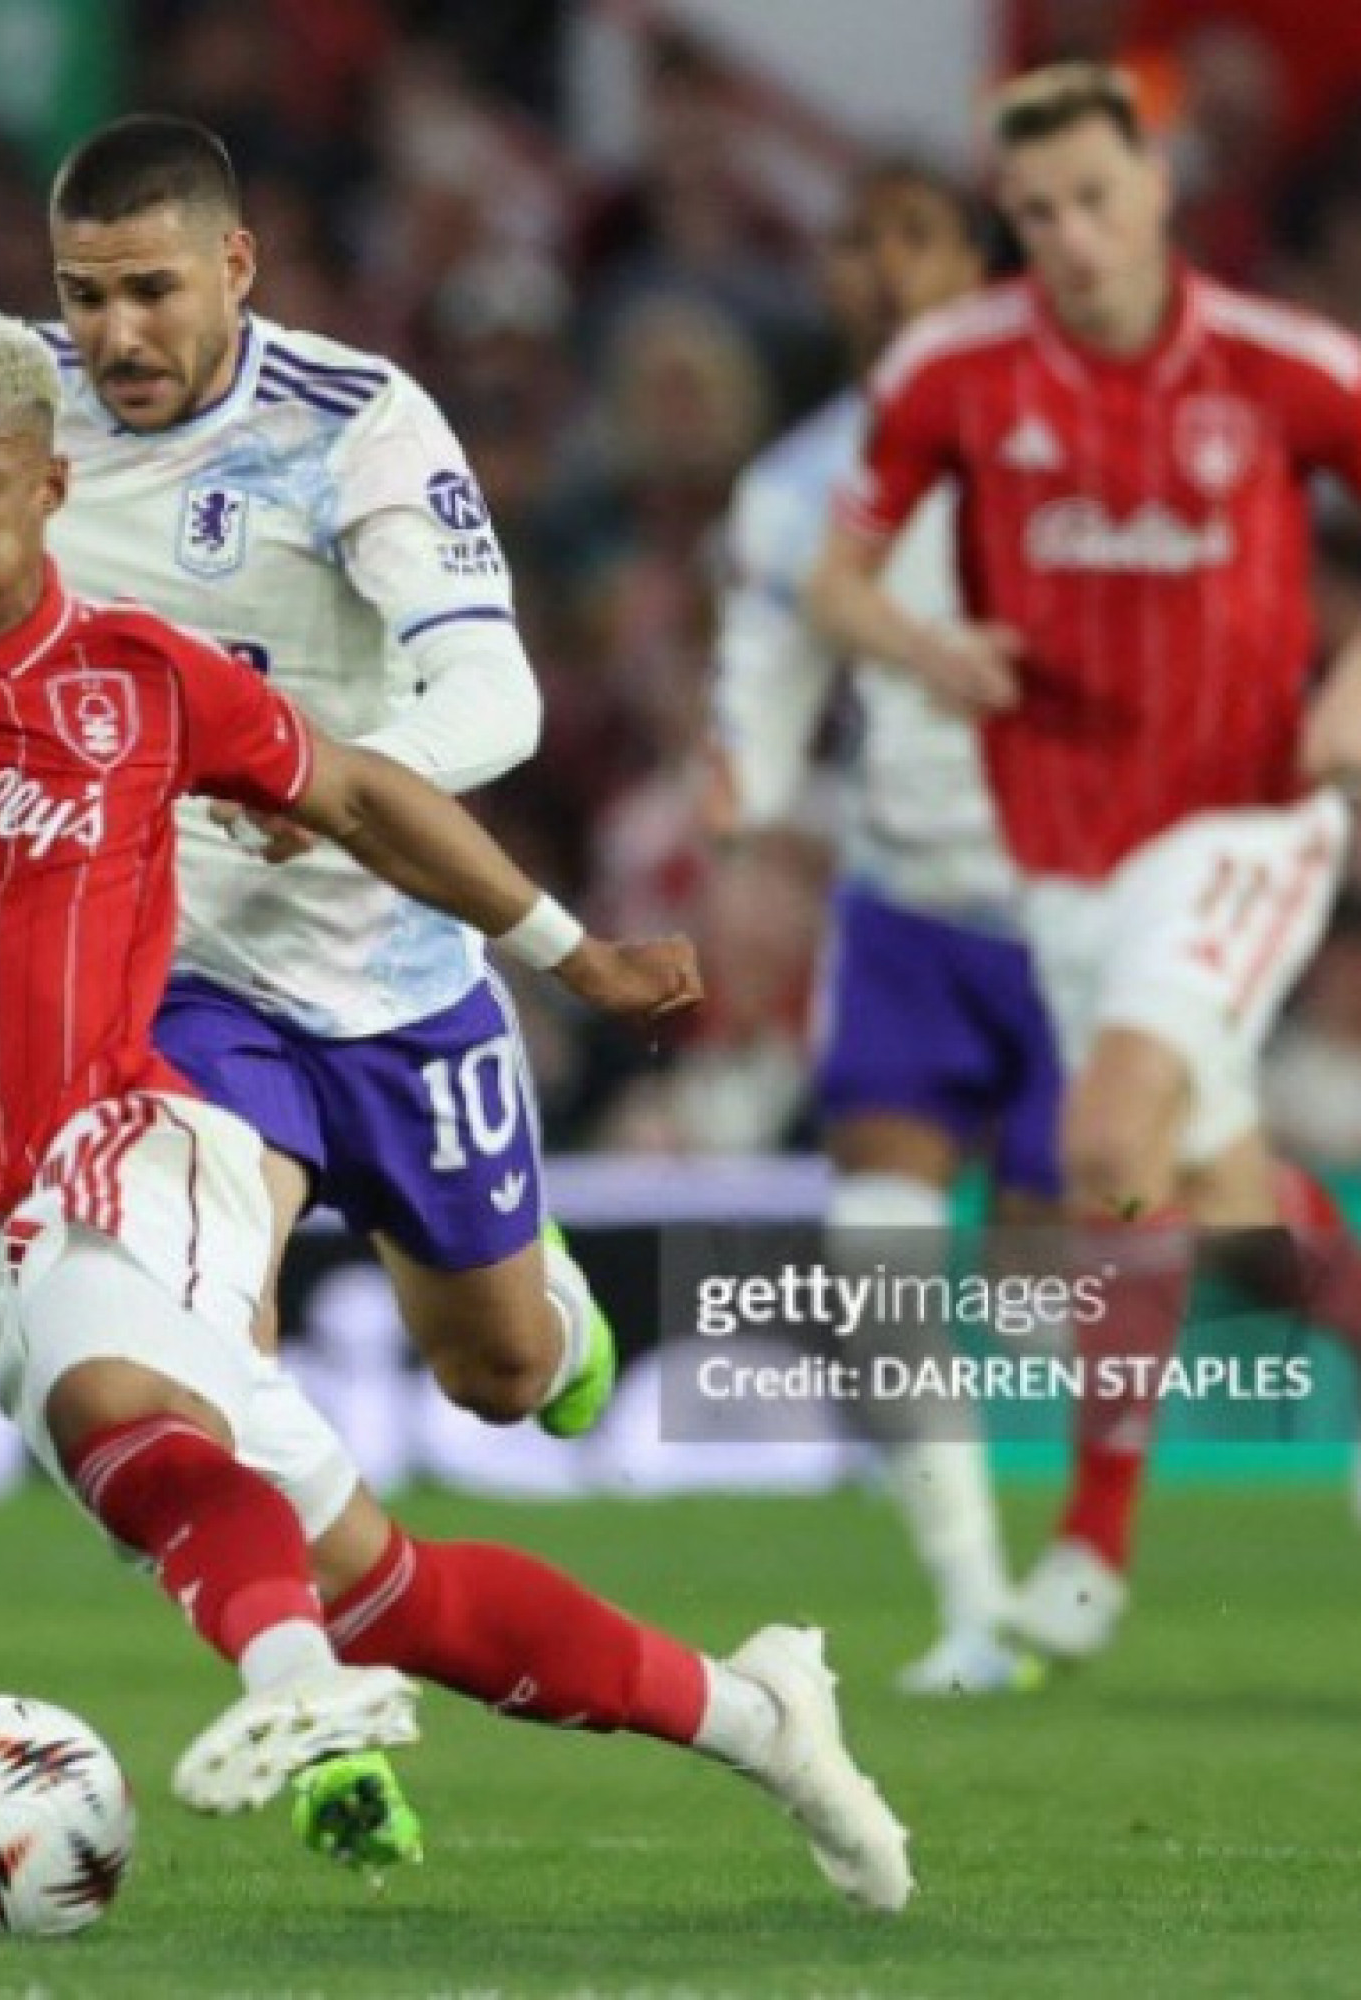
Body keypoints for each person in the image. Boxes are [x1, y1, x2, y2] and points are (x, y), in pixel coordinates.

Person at [0, 303, 912, 1910]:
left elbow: (367, 794)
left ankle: (289, 1700)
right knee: (390, 1592)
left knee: (118, 1404)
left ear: (51, 482)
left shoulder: (137, 683)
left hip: (131, 1139)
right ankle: (762, 1714)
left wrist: (568, 956)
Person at [809, 62, 1361, 1666]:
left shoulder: (1275, 364)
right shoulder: (955, 373)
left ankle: (1089, 1553)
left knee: (1103, 1144)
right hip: (1058, 852)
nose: (1070, 234)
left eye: (1095, 199)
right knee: (1209, 1198)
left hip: (1246, 819)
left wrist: (1349, 684)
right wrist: (923, 641)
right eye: (1036, 210)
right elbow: (839, 587)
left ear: (1160, 191)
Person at [36, 114, 618, 1444]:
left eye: (150, 290)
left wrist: (335, 781)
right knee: (207, 1327)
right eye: (83, 296)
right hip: (172, 969)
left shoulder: (354, 428)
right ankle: (297, 1647)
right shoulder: (20, 417)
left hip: (384, 966)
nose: (114, 336)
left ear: (236, 265)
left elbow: (497, 700)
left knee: (503, 1375)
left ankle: (553, 1298)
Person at [713, 158, 1057, 1697]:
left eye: (907, 238)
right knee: (880, 1254)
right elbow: (766, 697)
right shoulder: (791, 489)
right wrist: (742, 807)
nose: (875, 268)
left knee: (1074, 1307)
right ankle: (977, 1613)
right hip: (906, 902)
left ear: (975, 268)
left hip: (1081, 908)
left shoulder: (1063, 438)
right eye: (853, 238)